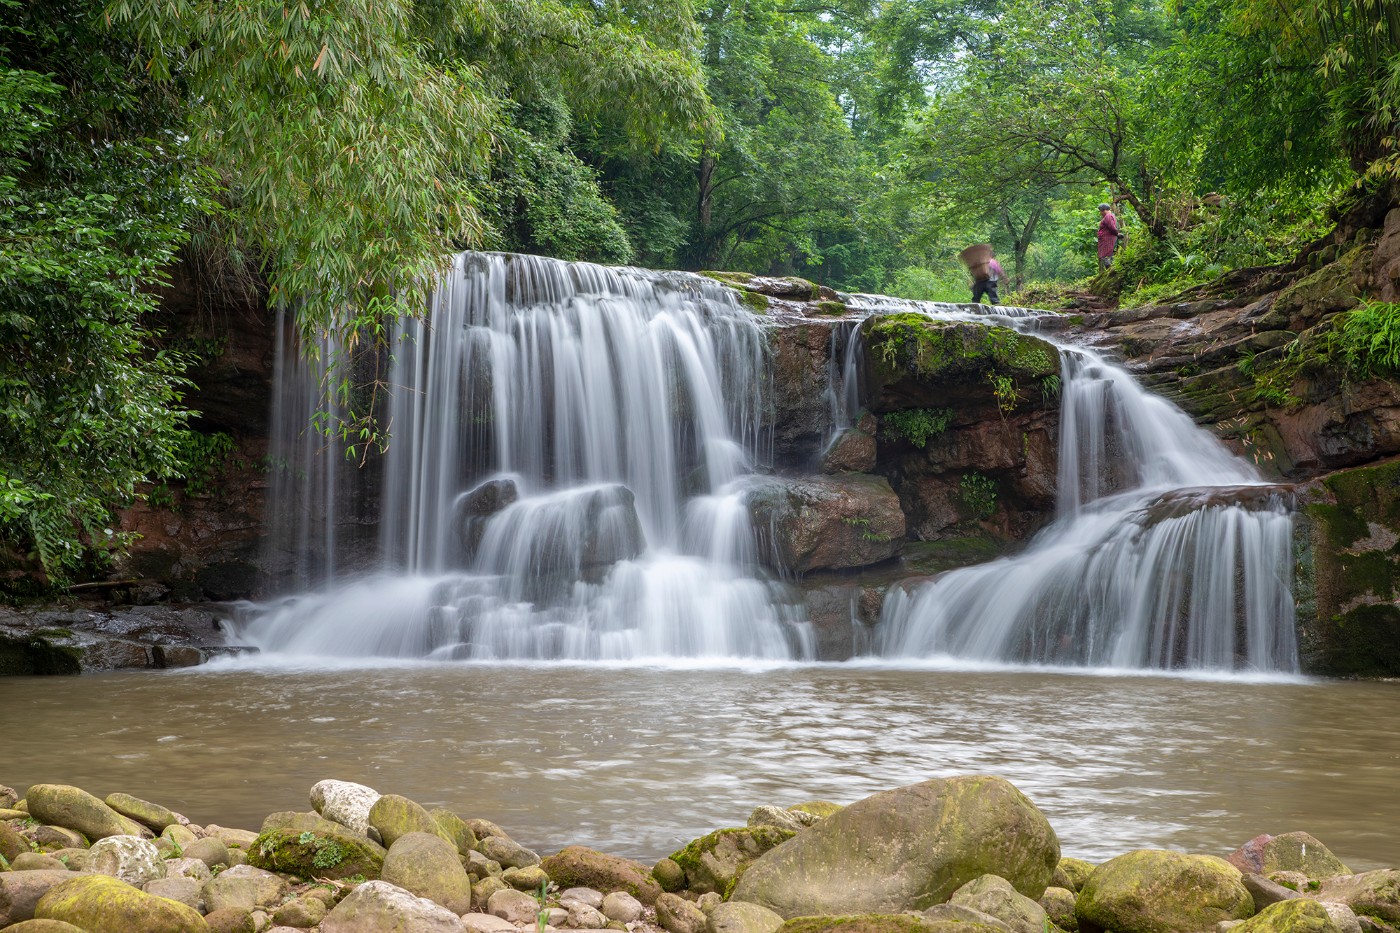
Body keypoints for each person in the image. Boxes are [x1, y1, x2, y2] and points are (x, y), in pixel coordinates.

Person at [1097, 202, 1120, 269]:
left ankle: (1111, 270)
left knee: (1105, 255)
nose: (1100, 213)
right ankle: (1111, 269)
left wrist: (1117, 233)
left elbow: (1112, 227)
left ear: (1104, 210)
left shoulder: (1108, 216)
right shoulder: (1109, 216)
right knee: (1108, 254)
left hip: (1107, 239)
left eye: (1100, 211)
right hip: (1106, 239)